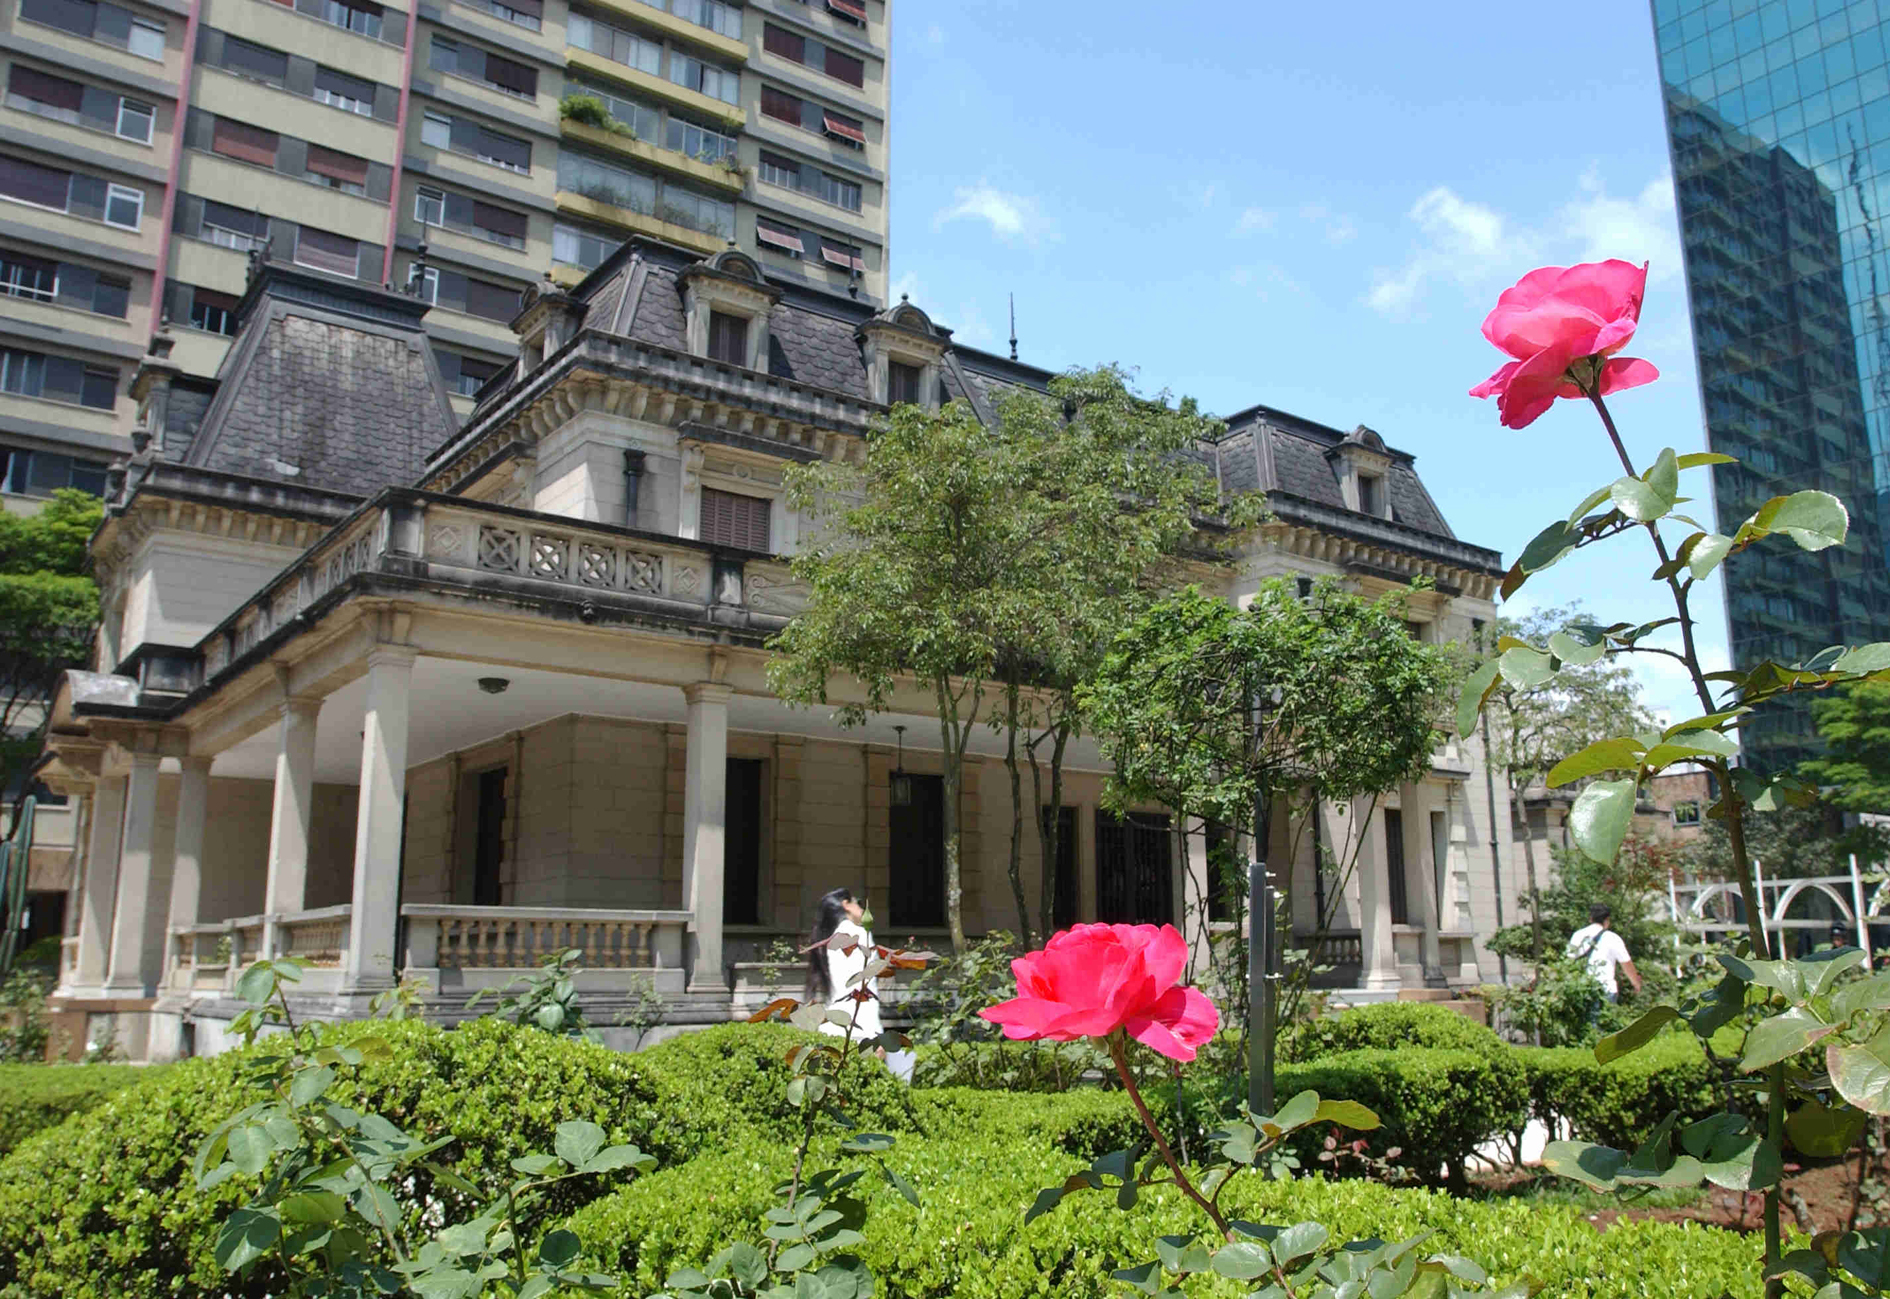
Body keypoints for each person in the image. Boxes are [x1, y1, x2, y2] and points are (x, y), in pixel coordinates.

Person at [803, 887, 885, 1047]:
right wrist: (874, 1033)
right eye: (858, 903)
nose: (862, 908)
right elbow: (862, 989)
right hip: (859, 1033)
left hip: (834, 1030)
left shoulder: (831, 940)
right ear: (846, 904)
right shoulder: (859, 934)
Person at [1566, 902, 1642, 1002]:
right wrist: (1636, 983)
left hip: (1582, 989)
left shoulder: (1577, 935)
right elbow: (1626, 964)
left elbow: (1568, 961)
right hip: (1606, 990)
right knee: (1605, 1016)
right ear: (1607, 920)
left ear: (1590, 918)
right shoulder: (1612, 938)